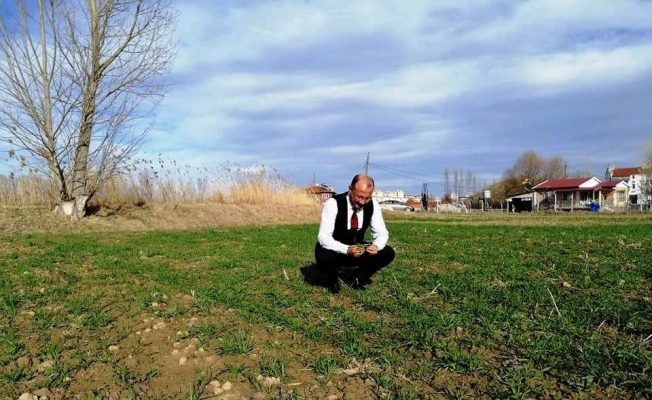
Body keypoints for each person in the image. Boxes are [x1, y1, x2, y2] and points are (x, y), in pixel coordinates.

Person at [315, 174, 395, 293]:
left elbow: (382, 233)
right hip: (337, 251)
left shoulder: (373, 205)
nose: (363, 202)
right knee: (323, 255)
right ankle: (332, 279)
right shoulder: (333, 203)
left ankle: (357, 277)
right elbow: (323, 237)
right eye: (359, 196)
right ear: (350, 189)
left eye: (367, 198)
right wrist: (345, 249)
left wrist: (376, 246)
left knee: (387, 253)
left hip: (358, 251)